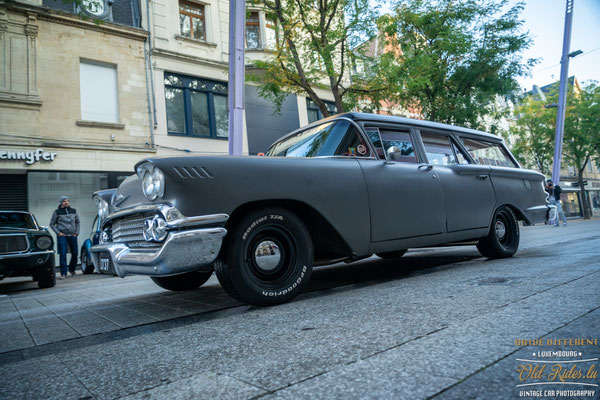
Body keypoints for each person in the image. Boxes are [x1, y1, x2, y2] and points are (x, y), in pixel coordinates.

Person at [50, 196, 80, 279]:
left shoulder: (74, 211)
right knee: (63, 254)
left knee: (75, 253)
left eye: (67, 201)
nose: (66, 202)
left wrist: (76, 233)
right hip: (62, 236)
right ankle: (63, 273)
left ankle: (72, 269)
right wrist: (58, 233)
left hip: (73, 235)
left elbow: (77, 222)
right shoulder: (57, 212)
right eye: (64, 201)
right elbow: (52, 224)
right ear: (61, 203)